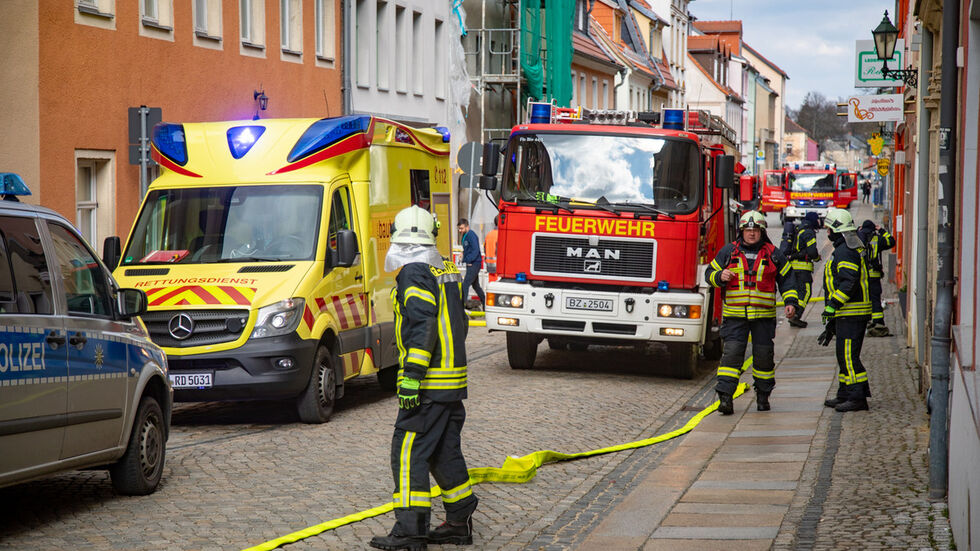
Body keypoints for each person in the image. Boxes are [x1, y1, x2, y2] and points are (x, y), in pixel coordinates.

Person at [370, 206, 478, 551]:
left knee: (407, 451)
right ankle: (459, 521)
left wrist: (412, 376)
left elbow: (422, 324)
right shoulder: (442, 265)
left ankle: (410, 531)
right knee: (443, 450)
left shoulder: (414, 271)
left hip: (430, 383)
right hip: (451, 380)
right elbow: (454, 320)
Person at [705, 210, 799, 414]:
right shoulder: (728, 252)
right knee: (731, 358)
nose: (751, 233)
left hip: (764, 318)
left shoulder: (774, 253)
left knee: (764, 358)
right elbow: (708, 274)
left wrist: (791, 301)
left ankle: (763, 397)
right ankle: (725, 399)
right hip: (735, 317)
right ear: (741, 231)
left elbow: (788, 280)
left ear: (762, 231)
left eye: (755, 230)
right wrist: (720, 275)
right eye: (748, 230)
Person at [818, 208, 872, 412]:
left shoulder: (845, 251)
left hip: (852, 312)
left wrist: (833, 305)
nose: (827, 233)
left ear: (836, 230)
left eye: (829, 229)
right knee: (844, 355)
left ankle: (857, 398)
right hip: (848, 313)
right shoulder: (849, 246)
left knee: (849, 356)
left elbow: (848, 282)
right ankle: (845, 393)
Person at [858, 219, 896, 336]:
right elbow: (891, 242)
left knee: (863, 299)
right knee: (875, 300)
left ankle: (864, 323)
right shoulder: (878, 239)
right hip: (874, 275)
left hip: (861, 276)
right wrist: (882, 230)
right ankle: (878, 323)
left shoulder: (858, 239)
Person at [786, 212, 821, 328]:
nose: (819, 222)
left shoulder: (798, 229)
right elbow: (812, 252)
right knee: (805, 292)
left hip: (793, 268)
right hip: (802, 269)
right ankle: (796, 316)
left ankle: (794, 314)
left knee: (798, 293)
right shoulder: (809, 232)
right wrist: (817, 258)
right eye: (818, 219)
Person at [457, 219, 485, 309]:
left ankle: (463, 305)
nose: (460, 231)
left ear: (467, 226)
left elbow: (475, 250)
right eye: (459, 229)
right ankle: (485, 303)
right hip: (472, 263)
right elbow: (468, 249)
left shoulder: (471, 235)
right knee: (475, 285)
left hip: (474, 264)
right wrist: (463, 253)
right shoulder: (465, 235)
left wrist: (468, 261)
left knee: (465, 284)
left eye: (461, 228)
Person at [484, 216, 499, 282]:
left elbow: (485, 248)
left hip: (489, 264)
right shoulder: (500, 234)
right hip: (498, 264)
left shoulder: (489, 234)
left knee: (491, 283)